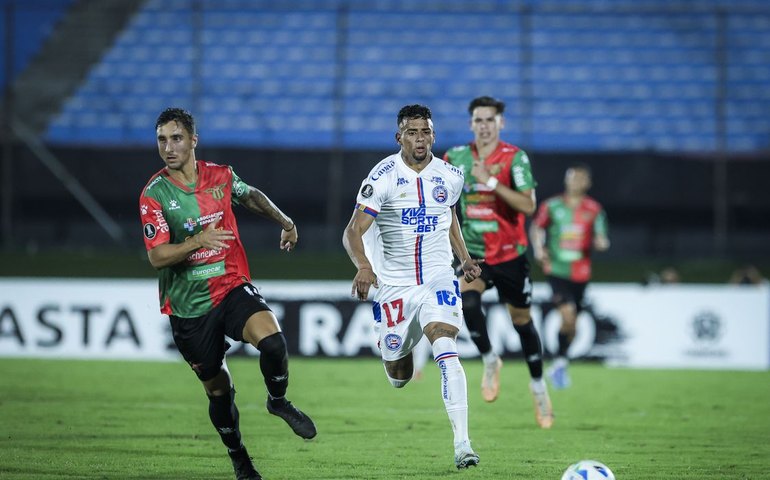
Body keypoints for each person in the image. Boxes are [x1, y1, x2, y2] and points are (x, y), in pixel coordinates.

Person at [139, 108, 316, 480]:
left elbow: (249, 196)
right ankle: (240, 459)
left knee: (273, 343)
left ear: (192, 141)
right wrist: (198, 240)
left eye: (176, 138)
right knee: (219, 392)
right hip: (190, 309)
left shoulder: (220, 176)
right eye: (161, 140)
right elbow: (157, 257)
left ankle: (278, 401)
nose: (168, 147)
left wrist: (285, 221)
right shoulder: (154, 194)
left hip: (231, 284)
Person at [343, 104, 483, 469]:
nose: (419, 139)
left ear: (433, 135)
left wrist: (464, 259)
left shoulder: (450, 175)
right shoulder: (383, 176)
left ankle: (463, 444)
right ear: (399, 137)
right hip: (395, 286)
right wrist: (363, 266)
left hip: (438, 276)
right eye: (412, 132)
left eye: (425, 132)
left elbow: (449, 216)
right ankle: (404, 340)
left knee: (445, 344)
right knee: (399, 377)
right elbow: (353, 230)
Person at [444, 96, 553, 429]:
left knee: (522, 321)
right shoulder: (455, 157)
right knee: (466, 300)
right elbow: (446, 205)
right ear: (471, 124)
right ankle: (490, 359)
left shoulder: (514, 158)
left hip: (510, 255)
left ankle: (539, 387)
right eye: (478, 120)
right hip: (474, 253)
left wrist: (490, 181)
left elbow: (528, 205)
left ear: (500, 123)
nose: (484, 125)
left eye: (490, 120)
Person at [530, 164, 610, 390]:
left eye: (580, 179)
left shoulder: (594, 209)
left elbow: (602, 237)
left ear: (588, 183)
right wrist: (539, 248)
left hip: (581, 273)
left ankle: (560, 362)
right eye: (572, 178)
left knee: (572, 323)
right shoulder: (552, 206)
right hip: (557, 270)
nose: (576, 182)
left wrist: (601, 243)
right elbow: (537, 228)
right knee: (568, 316)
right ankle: (559, 363)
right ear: (566, 181)